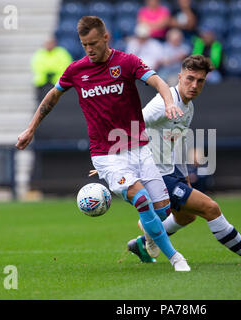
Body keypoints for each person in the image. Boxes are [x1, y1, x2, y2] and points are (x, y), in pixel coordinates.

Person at [16, 16, 190, 272]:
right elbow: (52, 96)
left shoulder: (126, 62)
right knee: (141, 199)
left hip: (139, 148)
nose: (89, 49)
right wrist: (31, 128)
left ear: (105, 38)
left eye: (94, 43)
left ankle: (145, 239)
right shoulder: (75, 70)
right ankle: (176, 258)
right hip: (107, 155)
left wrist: (169, 102)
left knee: (163, 211)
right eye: (84, 44)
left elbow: (158, 82)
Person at [90, 55, 241, 265]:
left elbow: (177, 143)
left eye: (200, 81)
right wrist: (115, 158)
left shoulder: (188, 107)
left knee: (186, 217)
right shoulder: (163, 104)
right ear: (180, 77)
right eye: (190, 79)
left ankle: (142, 243)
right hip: (156, 174)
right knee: (210, 208)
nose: (194, 85)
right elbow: (133, 124)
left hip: (171, 171)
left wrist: (184, 178)